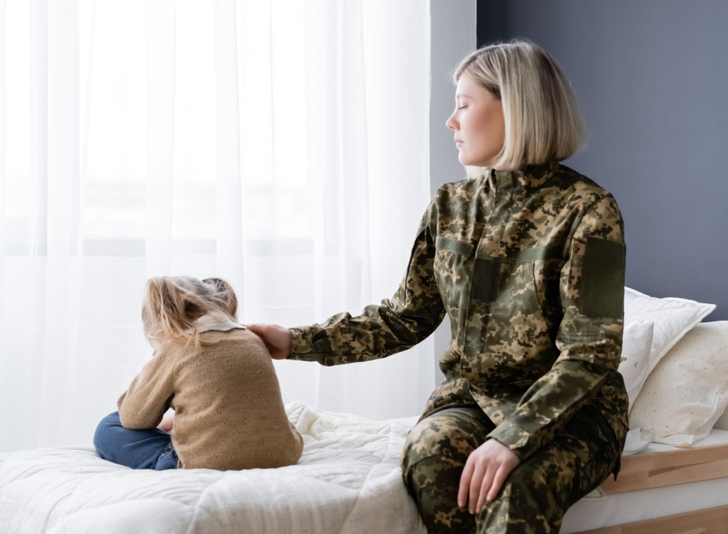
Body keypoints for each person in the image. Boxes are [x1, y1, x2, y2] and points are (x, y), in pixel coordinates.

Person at [248, 40, 628, 534]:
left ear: (515, 106)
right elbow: (406, 315)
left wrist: (513, 439)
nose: (451, 121)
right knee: (427, 455)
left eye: (464, 105)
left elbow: (591, 352)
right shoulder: (450, 206)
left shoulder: (590, 210)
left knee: (514, 490)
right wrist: (293, 341)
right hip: (473, 400)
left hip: (571, 412)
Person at [93, 276, 303, 471]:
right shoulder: (252, 339)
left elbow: (133, 418)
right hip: (285, 454)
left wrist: (158, 360)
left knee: (109, 427)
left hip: (209, 461)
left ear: (161, 329)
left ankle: (171, 452)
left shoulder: (176, 348)